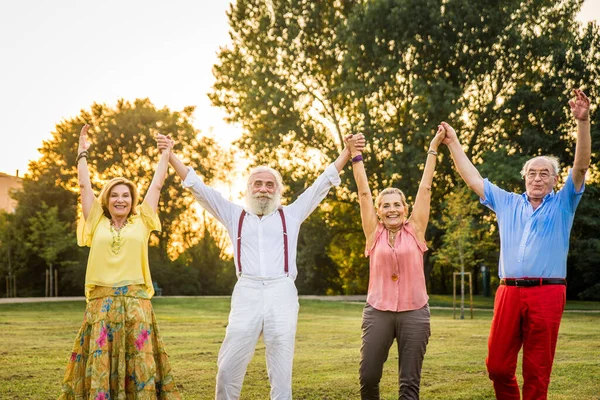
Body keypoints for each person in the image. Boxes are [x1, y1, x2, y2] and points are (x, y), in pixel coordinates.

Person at [156, 133, 365, 400]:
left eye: (269, 184)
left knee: (281, 360)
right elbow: (198, 188)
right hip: (247, 289)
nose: (263, 189)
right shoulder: (234, 215)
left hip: (282, 289)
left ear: (278, 190)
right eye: (258, 184)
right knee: (230, 361)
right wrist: (171, 153)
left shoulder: (291, 214)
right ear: (249, 189)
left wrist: (347, 152)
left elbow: (321, 184)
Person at [440, 88, 591, 399]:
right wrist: (453, 143)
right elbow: (471, 177)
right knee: (497, 366)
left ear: (553, 179)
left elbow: (581, 166)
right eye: (532, 173)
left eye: (544, 174)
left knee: (537, 372)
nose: (537, 178)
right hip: (508, 291)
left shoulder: (563, 204)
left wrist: (583, 122)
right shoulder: (507, 203)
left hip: (548, 292)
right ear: (524, 177)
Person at [59, 125, 180, 400]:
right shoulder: (96, 221)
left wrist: (166, 153)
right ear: (107, 200)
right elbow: (83, 186)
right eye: (114, 195)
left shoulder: (143, 220)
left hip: (137, 304)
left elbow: (158, 184)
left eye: (126, 195)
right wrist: (82, 153)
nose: (120, 199)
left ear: (133, 200)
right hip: (101, 304)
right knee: (101, 365)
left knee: (139, 363)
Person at [345, 127, 445, 399]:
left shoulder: (416, 230)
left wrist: (433, 147)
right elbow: (363, 192)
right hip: (378, 311)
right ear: (379, 211)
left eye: (397, 204)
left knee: (409, 383)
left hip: (415, 312)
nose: (392, 209)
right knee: (368, 376)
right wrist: (356, 157)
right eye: (386, 205)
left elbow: (425, 187)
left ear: (405, 207)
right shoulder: (373, 233)